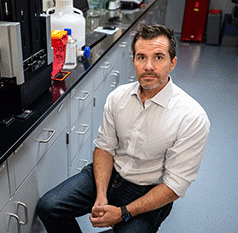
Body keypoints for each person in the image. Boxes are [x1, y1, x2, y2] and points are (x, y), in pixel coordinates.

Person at [37, 24, 210, 233]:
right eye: (141, 57)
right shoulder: (118, 97)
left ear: (172, 63)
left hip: (149, 190)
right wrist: (101, 194)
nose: (148, 66)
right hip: (110, 175)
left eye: (158, 57)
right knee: (49, 206)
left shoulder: (192, 117)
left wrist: (123, 213)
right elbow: (104, 148)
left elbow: (174, 187)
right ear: (134, 62)